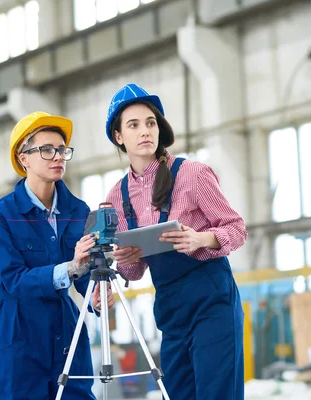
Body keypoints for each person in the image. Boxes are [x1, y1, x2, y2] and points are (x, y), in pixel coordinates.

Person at [103, 83, 248, 400]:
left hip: (212, 300)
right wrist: (125, 257)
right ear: (118, 136)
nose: (145, 131)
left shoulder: (192, 174)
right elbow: (134, 273)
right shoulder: (116, 196)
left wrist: (201, 237)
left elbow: (237, 228)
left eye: (151, 123)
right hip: (170, 307)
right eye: (134, 125)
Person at [0, 111, 115, 400]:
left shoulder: (78, 211)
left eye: (62, 150)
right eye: (46, 149)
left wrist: (94, 295)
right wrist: (70, 268)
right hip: (18, 331)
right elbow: (13, 279)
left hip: (65, 326)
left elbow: (85, 271)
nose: (58, 156)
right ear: (23, 157)